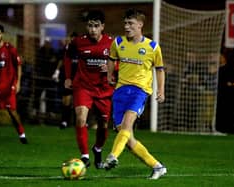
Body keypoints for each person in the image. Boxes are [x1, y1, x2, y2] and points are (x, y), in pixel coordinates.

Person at [104, 9, 167, 180]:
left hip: (140, 91)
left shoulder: (152, 47)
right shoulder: (118, 43)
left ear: (140, 25)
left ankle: (112, 156)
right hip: (120, 91)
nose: (126, 26)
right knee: (127, 138)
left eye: (130, 23)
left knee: (126, 125)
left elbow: (160, 69)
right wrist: (109, 74)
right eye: (125, 23)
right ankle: (157, 166)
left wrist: (161, 89)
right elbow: (111, 59)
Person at [64, 10, 115, 169]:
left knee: (104, 124)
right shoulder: (78, 42)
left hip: (104, 89)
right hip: (83, 86)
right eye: (90, 26)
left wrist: (110, 67)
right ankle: (85, 156)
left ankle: (97, 149)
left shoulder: (112, 43)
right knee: (80, 117)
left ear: (102, 27)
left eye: (96, 26)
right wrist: (68, 77)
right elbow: (67, 56)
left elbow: (119, 61)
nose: (92, 29)